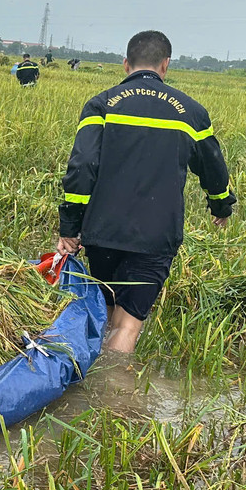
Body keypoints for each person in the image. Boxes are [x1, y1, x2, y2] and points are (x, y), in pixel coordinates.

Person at [56, 30, 235, 355]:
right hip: (155, 235)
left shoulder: (101, 105)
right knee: (127, 325)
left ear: (126, 64)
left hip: (103, 232)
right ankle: (111, 385)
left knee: (106, 311)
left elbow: (81, 167)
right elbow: (213, 167)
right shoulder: (191, 112)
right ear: (165, 65)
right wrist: (221, 205)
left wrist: (70, 227)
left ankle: (89, 375)